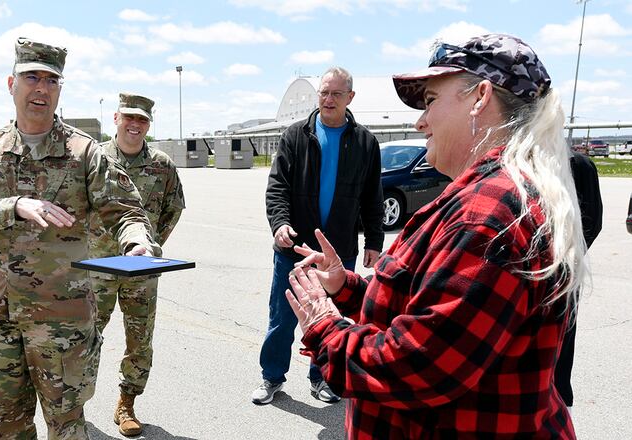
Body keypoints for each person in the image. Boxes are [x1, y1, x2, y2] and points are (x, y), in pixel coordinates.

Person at [284, 34, 587, 438]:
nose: (419, 121)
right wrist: (346, 287)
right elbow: (428, 306)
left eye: (429, 101)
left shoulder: (488, 214)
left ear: (480, 97)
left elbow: (415, 365)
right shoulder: (488, 194)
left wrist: (324, 326)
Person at [0, 38, 157, 440]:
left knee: (67, 427)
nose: (41, 88)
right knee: (8, 425)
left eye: (51, 80)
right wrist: (14, 205)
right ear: (12, 83)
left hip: (63, 322)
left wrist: (137, 243)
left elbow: (127, 210)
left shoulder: (85, 153)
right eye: (31, 77)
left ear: (60, 89)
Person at [252, 66, 385, 405]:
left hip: (338, 252)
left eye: (336, 94)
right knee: (282, 316)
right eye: (324, 92)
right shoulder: (296, 136)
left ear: (349, 98)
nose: (328, 99)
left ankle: (322, 379)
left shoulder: (365, 142)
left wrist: (374, 241)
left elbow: (373, 196)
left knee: (329, 316)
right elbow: (277, 187)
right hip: (294, 248)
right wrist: (280, 223)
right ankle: (272, 378)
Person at [89, 93, 185, 436]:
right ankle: (74, 403)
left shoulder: (161, 165)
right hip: (96, 266)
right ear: (116, 118)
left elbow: (173, 209)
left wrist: (153, 244)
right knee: (85, 337)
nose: (135, 124)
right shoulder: (94, 159)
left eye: (142, 119)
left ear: (149, 124)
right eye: (129, 117)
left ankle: (126, 403)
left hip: (142, 270)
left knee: (140, 339)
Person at [554, 150, 602, 410]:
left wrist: (569, 256)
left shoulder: (578, 164)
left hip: (563, 268)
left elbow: (593, 219)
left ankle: (560, 398)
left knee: (562, 332)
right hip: (525, 266)